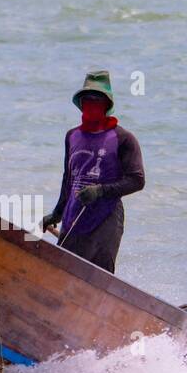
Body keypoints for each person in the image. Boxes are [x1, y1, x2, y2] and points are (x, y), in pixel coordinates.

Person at [41, 70, 144, 273]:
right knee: (62, 272)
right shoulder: (72, 136)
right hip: (73, 215)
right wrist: (57, 213)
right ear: (80, 103)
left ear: (106, 105)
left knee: (98, 275)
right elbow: (68, 179)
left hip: (106, 217)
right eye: (87, 99)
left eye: (97, 100)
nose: (92, 104)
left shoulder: (123, 139)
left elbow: (137, 180)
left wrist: (100, 191)